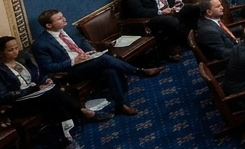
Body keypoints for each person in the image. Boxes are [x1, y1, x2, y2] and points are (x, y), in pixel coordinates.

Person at [31, 9, 160, 116]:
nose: (64, 19)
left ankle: (120, 105)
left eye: (62, 16)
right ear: (49, 25)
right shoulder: (41, 44)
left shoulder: (68, 31)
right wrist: (73, 61)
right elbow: (47, 67)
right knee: (104, 60)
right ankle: (139, 71)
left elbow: (83, 43)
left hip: (88, 62)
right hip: (70, 71)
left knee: (110, 70)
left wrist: (92, 52)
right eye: (59, 19)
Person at [0, 35, 102, 149]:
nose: (15, 52)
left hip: (40, 95)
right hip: (19, 103)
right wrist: (33, 89)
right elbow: (4, 96)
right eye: (10, 50)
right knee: (53, 96)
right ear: (1, 53)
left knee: (54, 101)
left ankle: (66, 140)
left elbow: (37, 76)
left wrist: (45, 80)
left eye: (16, 48)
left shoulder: (22, 59)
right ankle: (81, 111)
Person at [120, 0, 186, 60]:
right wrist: (161, 12)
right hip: (152, 17)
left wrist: (174, 3)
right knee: (172, 21)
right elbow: (139, 11)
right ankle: (171, 50)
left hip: (169, 9)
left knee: (190, 9)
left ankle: (189, 41)